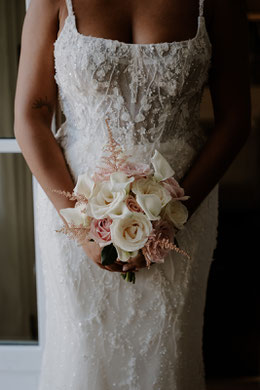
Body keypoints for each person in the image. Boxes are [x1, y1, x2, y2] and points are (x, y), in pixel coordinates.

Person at [14, 0, 251, 388]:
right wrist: (81, 225)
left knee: (168, 352)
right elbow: (30, 114)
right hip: (75, 206)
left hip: (185, 206)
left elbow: (236, 119)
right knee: (82, 347)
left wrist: (176, 212)